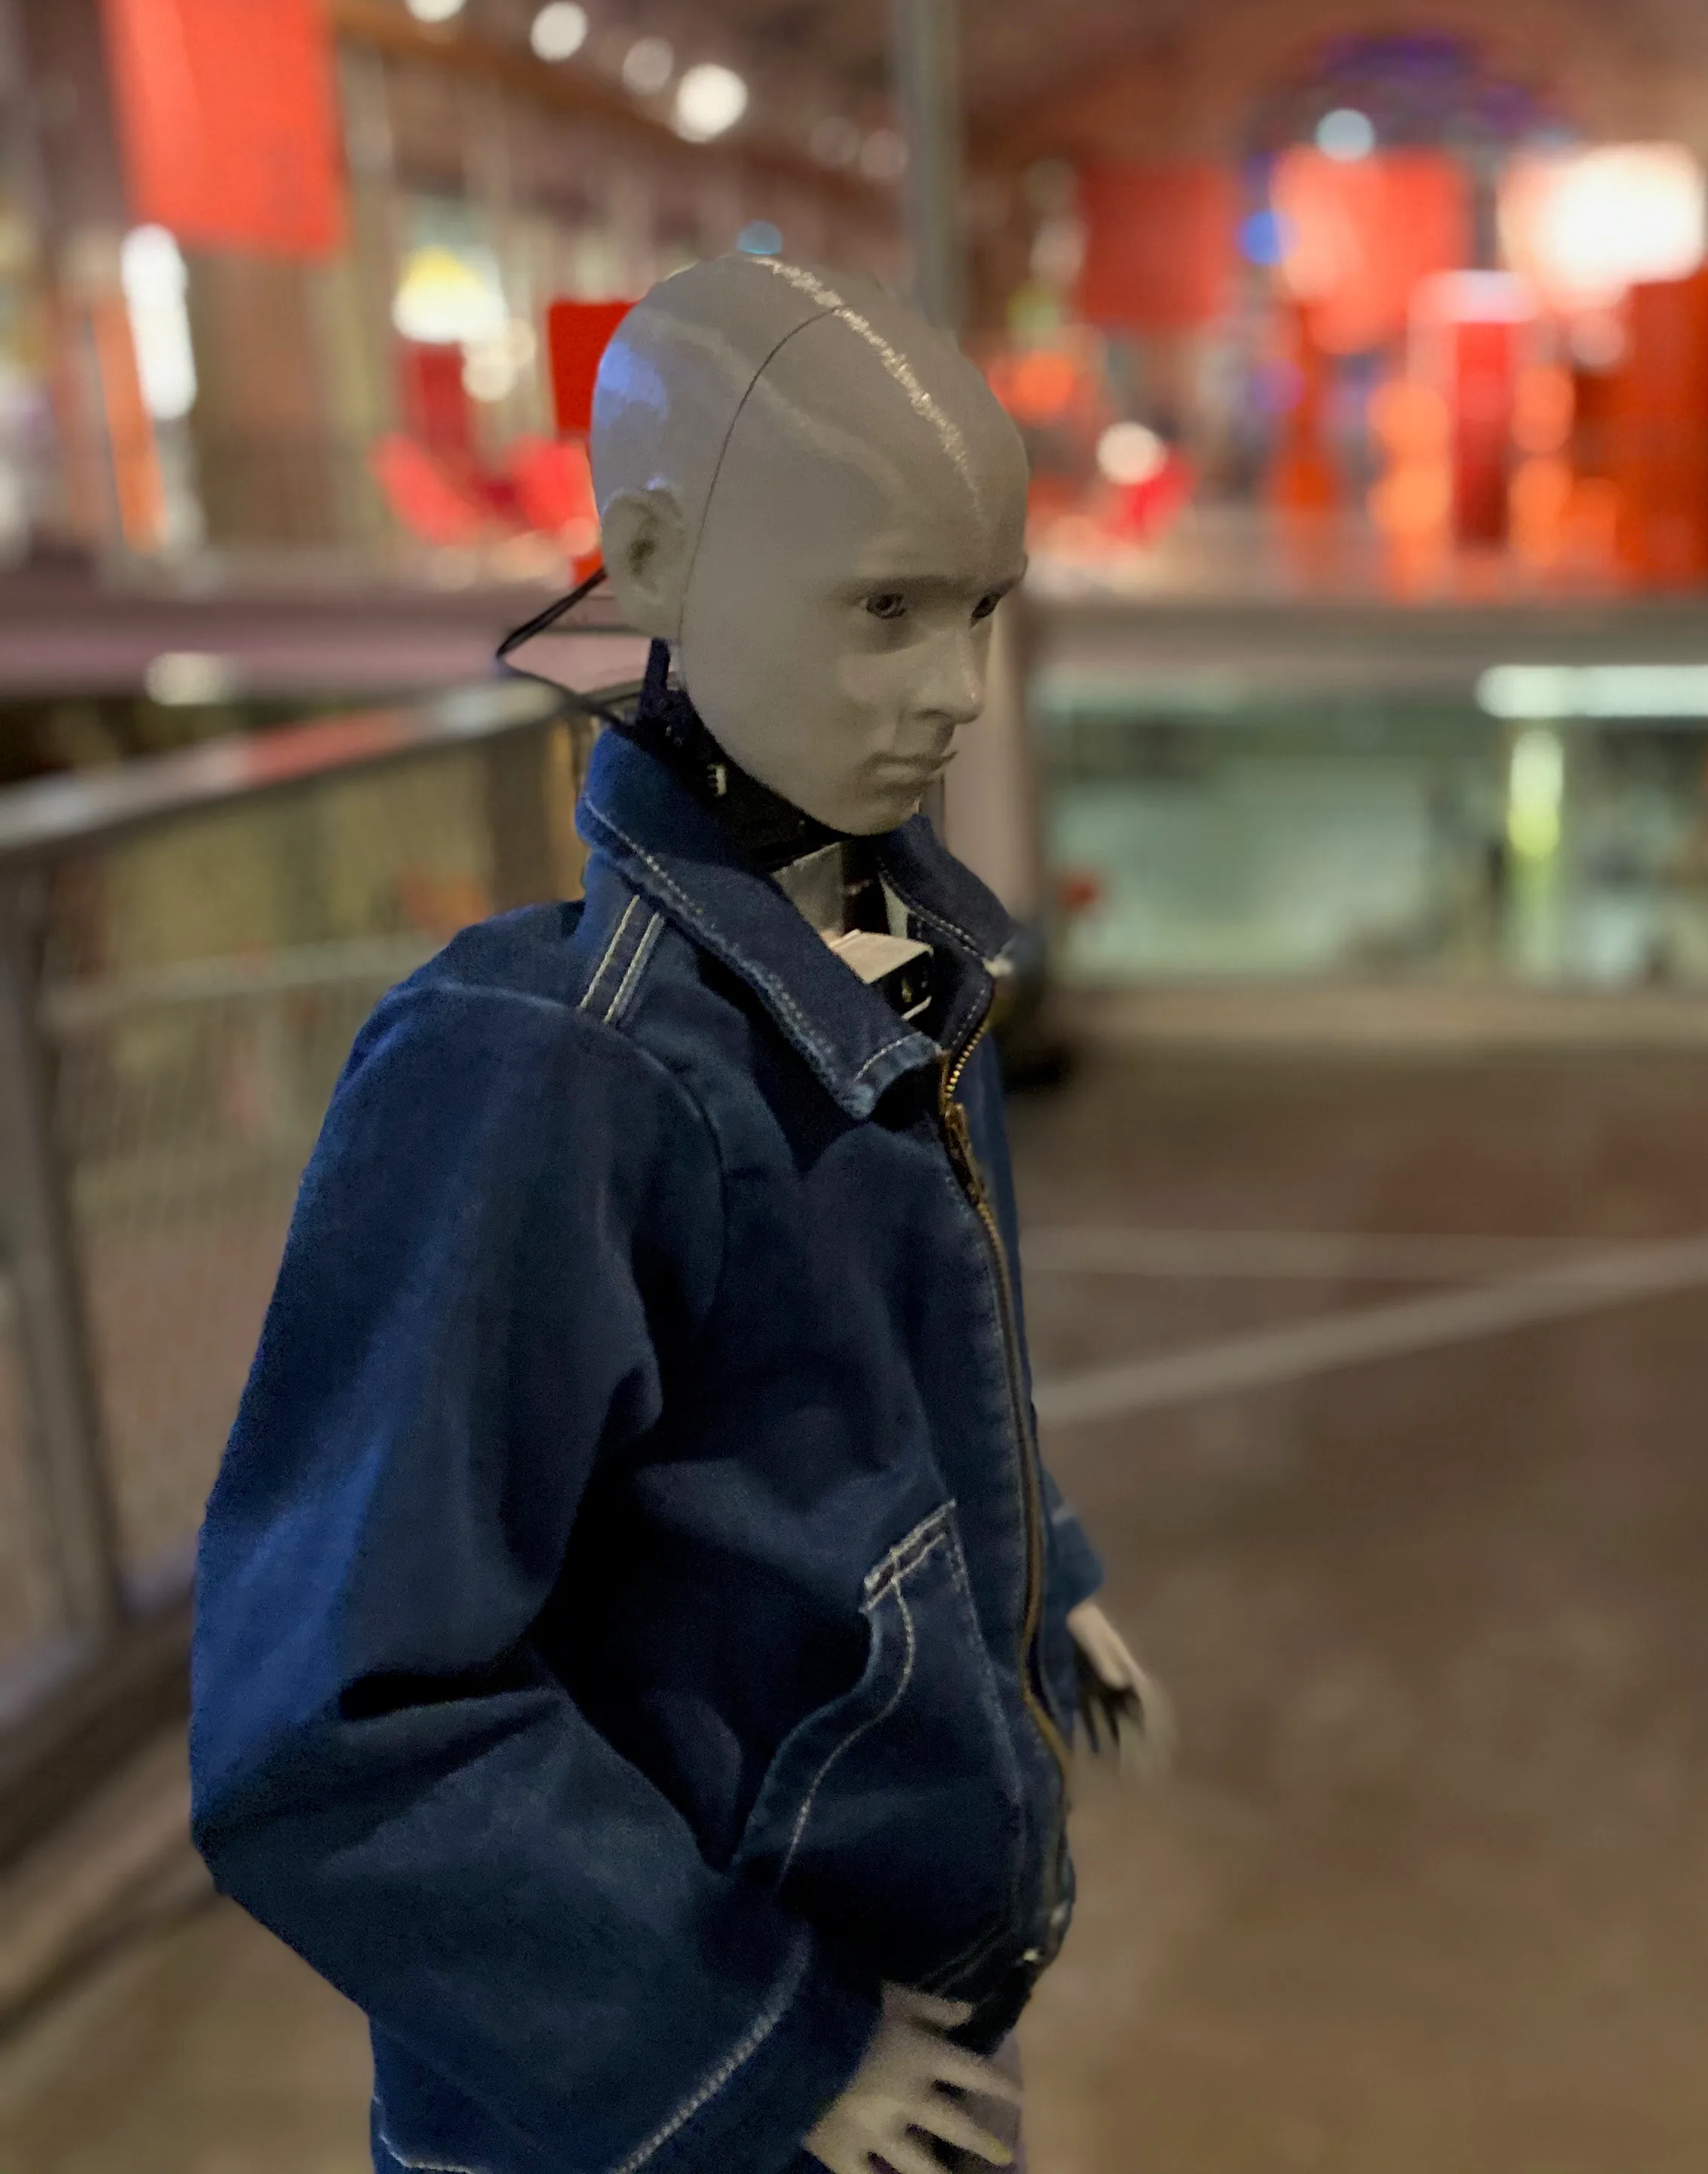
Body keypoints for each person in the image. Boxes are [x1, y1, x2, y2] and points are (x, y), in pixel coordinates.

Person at [190, 257, 1156, 2174]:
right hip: (676, 2105)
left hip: (906, 2000)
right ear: (647, 558)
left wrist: (1040, 1573)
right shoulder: (543, 1075)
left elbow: (898, 1371)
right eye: (883, 608)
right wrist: (754, 2045)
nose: (957, 690)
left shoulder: (893, 964)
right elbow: (330, 1722)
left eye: (980, 608)